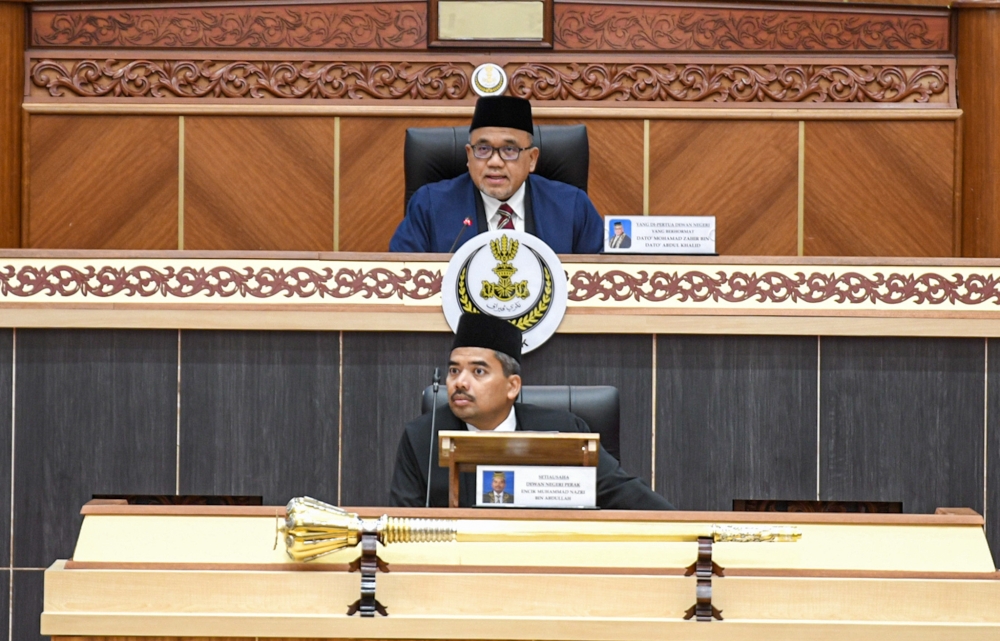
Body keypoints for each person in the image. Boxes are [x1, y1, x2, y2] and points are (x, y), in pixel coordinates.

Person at [389, 313, 674, 509]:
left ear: (512, 386)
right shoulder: (421, 438)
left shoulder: (565, 432)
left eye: (478, 371)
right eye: (454, 370)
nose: (460, 382)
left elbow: (621, 493)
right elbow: (400, 522)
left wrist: (690, 530)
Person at [389, 96, 604, 254]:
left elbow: (601, 277)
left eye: (509, 150)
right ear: (468, 155)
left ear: (532, 159)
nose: (494, 162)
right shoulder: (428, 205)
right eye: (483, 150)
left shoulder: (572, 206)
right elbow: (403, 275)